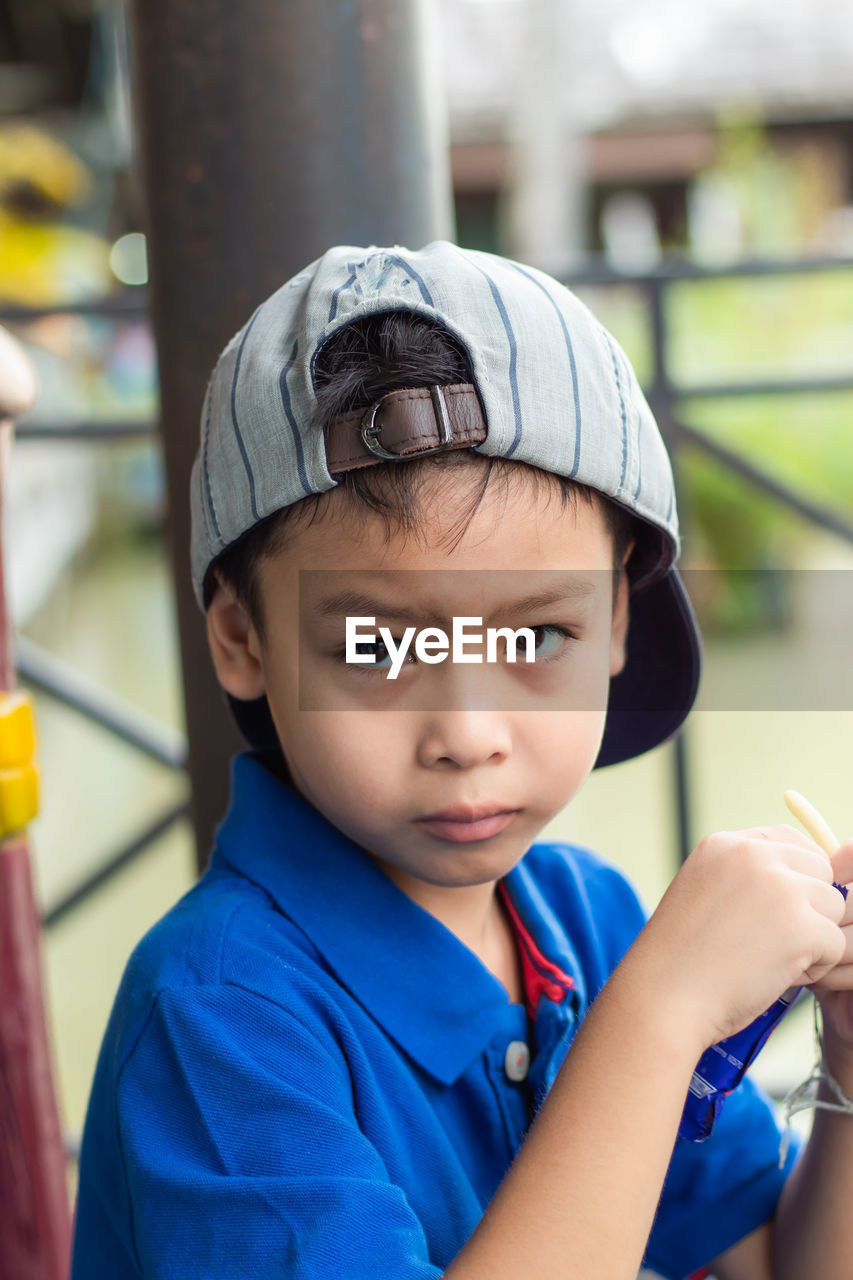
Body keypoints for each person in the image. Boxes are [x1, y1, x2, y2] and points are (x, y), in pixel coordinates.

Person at [71, 242, 853, 1280]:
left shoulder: (592, 921)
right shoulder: (219, 1015)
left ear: (616, 619)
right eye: (382, 645)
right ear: (242, 638)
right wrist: (658, 1017)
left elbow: (784, 1260)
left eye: (535, 638)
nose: (468, 731)